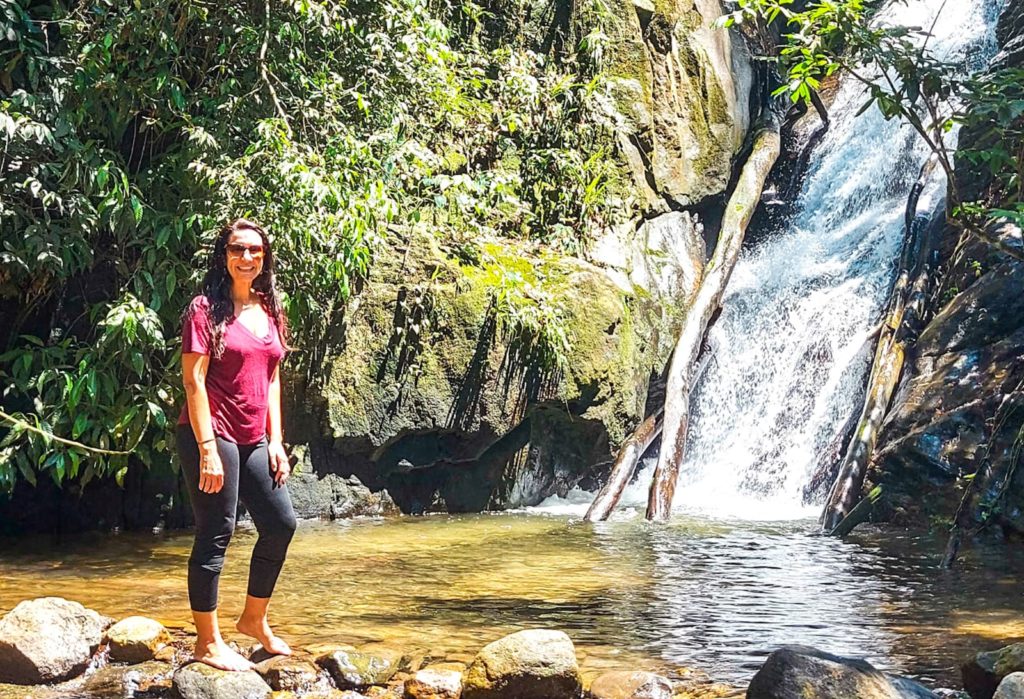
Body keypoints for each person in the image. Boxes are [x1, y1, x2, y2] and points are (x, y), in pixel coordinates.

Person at [176, 218, 297, 671]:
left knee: (282, 524)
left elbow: (271, 379)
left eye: (255, 251)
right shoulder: (205, 309)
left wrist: (276, 441)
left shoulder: (269, 307)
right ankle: (206, 643)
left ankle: (253, 619)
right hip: (212, 433)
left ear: (264, 258)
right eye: (237, 249)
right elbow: (194, 380)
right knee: (216, 532)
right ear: (223, 254)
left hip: (254, 438)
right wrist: (206, 446)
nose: (246, 257)